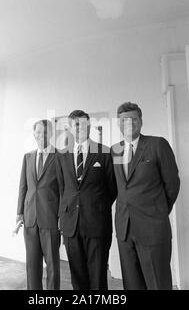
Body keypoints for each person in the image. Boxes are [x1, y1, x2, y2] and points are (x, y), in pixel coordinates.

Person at [111, 102, 180, 290]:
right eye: (124, 120)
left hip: (153, 228)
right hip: (125, 229)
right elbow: (117, 186)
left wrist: (158, 211)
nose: (129, 123)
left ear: (141, 121)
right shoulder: (115, 150)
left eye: (133, 119)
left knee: (157, 283)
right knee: (132, 284)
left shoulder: (157, 144)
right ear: (118, 124)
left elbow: (172, 184)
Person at [55, 110, 117, 290]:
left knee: (98, 277)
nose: (80, 127)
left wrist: (96, 206)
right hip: (71, 225)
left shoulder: (104, 152)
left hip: (97, 223)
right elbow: (62, 188)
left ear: (89, 125)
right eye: (76, 125)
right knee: (78, 276)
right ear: (71, 129)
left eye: (83, 124)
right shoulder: (62, 155)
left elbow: (112, 188)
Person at [16, 119, 60, 290]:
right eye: (39, 132)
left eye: (46, 132)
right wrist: (19, 213)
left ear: (51, 134)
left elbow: (63, 189)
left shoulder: (60, 157)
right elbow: (23, 187)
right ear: (34, 134)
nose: (42, 135)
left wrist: (61, 216)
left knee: (53, 266)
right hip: (30, 218)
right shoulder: (28, 157)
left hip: (50, 218)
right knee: (32, 265)